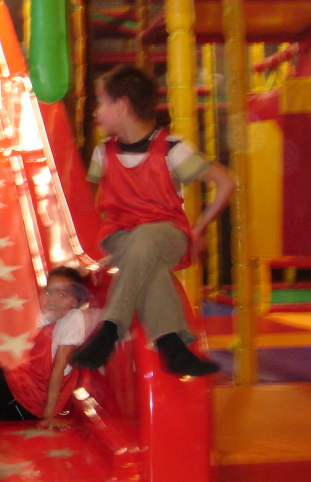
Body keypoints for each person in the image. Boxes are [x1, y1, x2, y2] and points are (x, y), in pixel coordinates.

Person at [72, 65, 236, 377]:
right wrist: (103, 254)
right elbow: (92, 207)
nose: (96, 112)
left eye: (101, 102)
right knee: (148, 262)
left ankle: (109, 330)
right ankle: (174, 348)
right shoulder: (103, 153)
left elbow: (226, 182)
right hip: (121, 237)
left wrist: (199, 228)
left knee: (146, 238)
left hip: (166, 234)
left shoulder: (171, 149)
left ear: (122, 106)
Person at [3, 266, 99, 430]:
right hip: (16, 387)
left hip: (25, 401)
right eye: (49, 292)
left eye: (62, 295)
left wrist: (48, 417)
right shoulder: (44, 316)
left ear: (75, 302)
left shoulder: (72, 320)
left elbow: (58, 368)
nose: (52, 299)